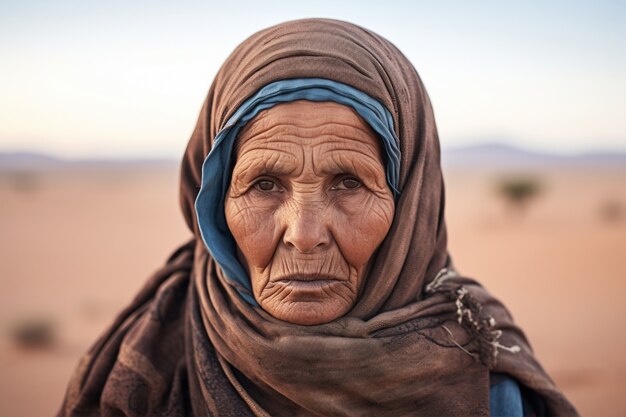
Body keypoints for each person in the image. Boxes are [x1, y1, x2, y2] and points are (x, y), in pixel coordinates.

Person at [59, 18, 577, 416]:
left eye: (349, 183)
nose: (304, 236)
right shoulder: (150, 352)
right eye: (263, 185)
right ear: (215, 202)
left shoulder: (483, 373)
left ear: (411, 204)